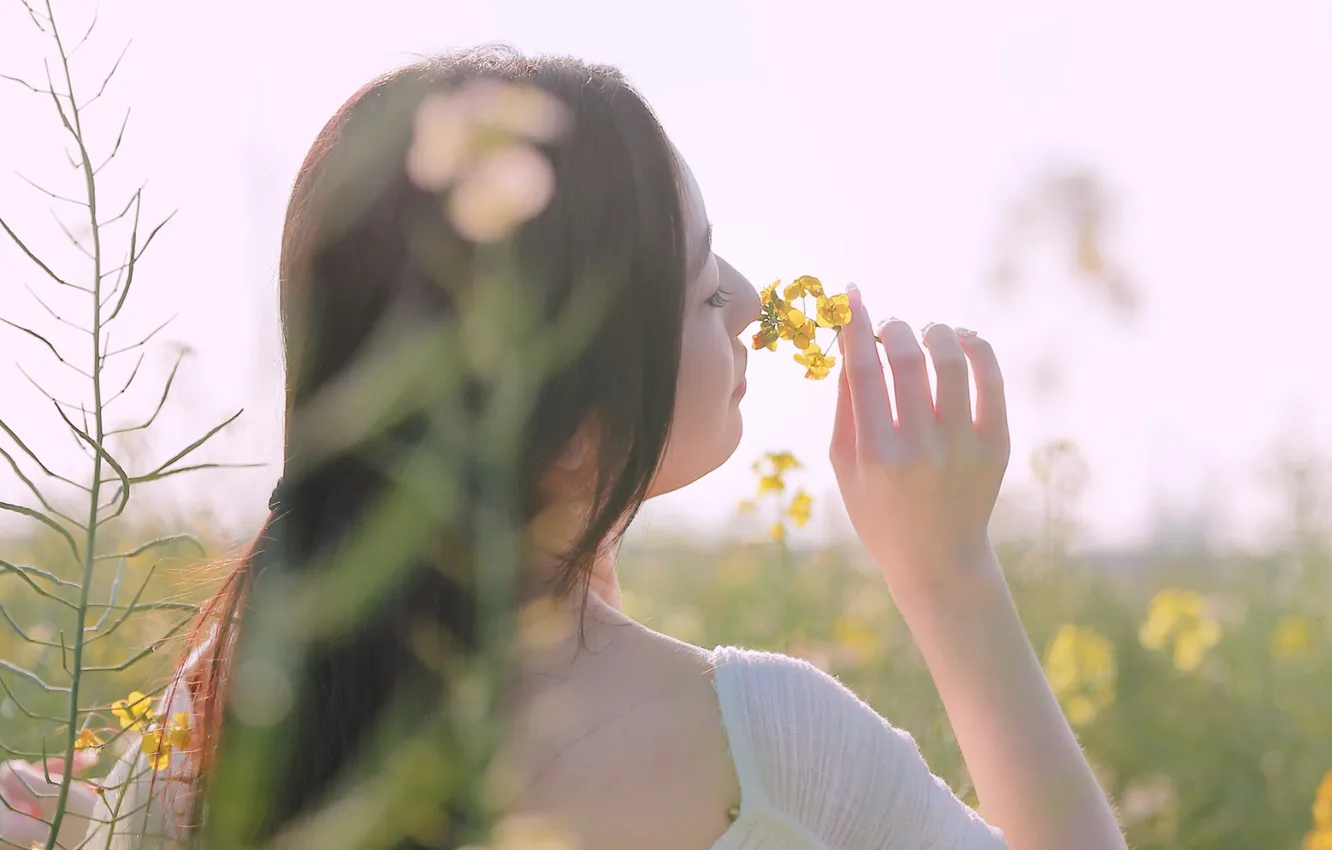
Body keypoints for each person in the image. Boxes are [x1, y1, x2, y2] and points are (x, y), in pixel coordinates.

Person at [0, 47, 1127, 850]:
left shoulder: (216, 729)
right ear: (566, 422)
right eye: (696, 287)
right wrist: (951, 578)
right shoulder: (770, 753)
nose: (744, 306)